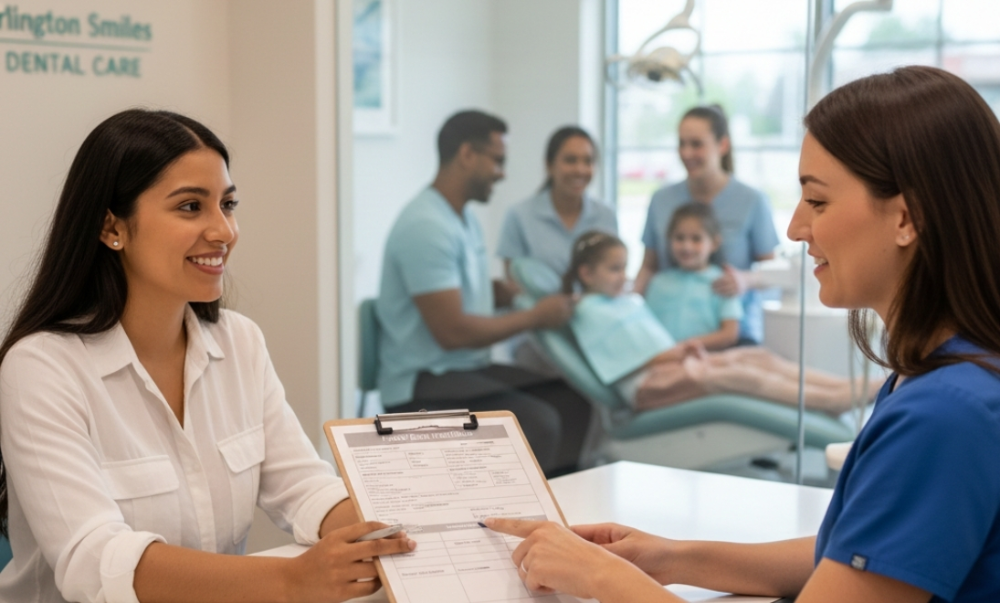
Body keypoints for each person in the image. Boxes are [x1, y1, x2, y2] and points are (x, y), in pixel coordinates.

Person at [487, 66, 1000, 603]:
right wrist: (665, 558)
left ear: (906, 218)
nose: (795, 227)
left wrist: (602, 579)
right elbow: (854, 554)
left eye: (818, 201)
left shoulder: (944, 416)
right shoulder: (944, 375)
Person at [0, 109, 415, 603]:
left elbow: (302, 488)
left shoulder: (240, 341)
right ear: (112, 227)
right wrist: (291, 580)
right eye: (191, 207)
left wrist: (400, 528)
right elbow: (94, 561)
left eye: (228, 204)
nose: (224, 231)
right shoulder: (42, 366)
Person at [376, 110, 593, 477]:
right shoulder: (426, 225)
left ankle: (560, 519)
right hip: (420, 383)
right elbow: (452, 332)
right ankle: (519, 522)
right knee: (538, 423)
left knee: (573, 403)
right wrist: (535, 316)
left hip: (461, 369)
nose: (503, 172)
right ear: (466, 155)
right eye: (498, 161)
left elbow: (458, 290)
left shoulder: (462, 219)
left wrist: (501, 294)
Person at [564, 231, 861, 414]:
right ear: (587, 273)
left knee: (757, 356)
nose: (624, 277)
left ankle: (848, 388)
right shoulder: (589, 310)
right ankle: (832, 401)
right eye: (614, 269)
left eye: (624, 268)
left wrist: (679, 353)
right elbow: (625, 358)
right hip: (647, 386)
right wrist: (678, 352)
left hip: (669, 368)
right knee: (742, 375)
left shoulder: (618, 302)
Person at [633, 105, 780, 344]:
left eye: (696, 144)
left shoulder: (752, 201)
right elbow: (649, 266)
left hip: (732, 336)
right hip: (667, 337)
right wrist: (629, 304)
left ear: (722, 145)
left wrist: (744, 280)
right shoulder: (661, 200)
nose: (686, 153)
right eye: (682, 143)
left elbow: (772, 271)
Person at [497, 126, 618, 278]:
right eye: (570, 160)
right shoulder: (519, 216)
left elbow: (615, 272)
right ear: (549, 165)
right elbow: (512, 282)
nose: (580, 170)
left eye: (588, 161)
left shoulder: (606, 215)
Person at [645, 202, 742, 350]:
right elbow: (646, 326)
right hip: (663, 360)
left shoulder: (723, 282)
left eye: (696, 239)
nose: (686, 246)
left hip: (706, 362)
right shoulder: (658, 282)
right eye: (679, 238)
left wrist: (684, 347)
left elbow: (729, 334)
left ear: (714, 243)